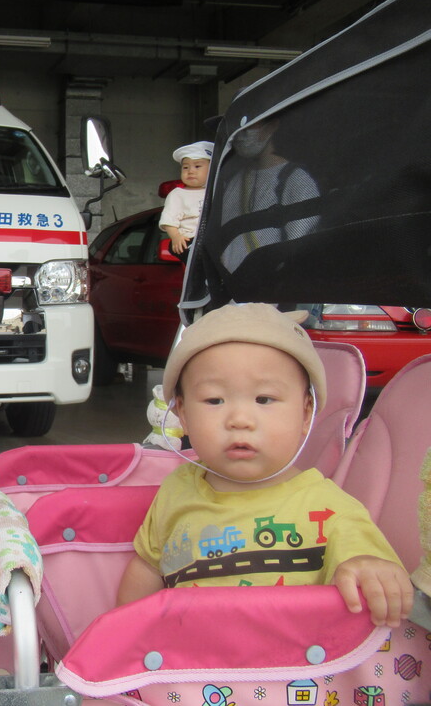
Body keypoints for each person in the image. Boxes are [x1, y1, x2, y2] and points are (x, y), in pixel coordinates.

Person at [116, 303, 412, 627]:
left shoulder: (331, 509)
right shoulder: (176, 490)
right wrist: (123, 634)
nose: (240, 420)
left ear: (305, 412)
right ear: (183, 414)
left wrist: (370, 569)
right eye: (215, 400)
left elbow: (372, 566)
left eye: (264, 400)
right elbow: (148, 568)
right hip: (187, 669)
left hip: (284, 674)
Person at [218, 118, 320, 272]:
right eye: (236, 126)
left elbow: (298, 247)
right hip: (232, 287)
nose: (240, 132)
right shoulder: (234, 180)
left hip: (270, 288)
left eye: (249, 124)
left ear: (272, 125)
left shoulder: (296, 180)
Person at [159, 141, 214, 262]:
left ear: (212, 170)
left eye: (197, 166)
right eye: (185, 167)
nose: (190, 171)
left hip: (213, 240)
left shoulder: (216, 192)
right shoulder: (178, 194)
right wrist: (176, 237)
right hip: (190, 240)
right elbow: (169, 220)